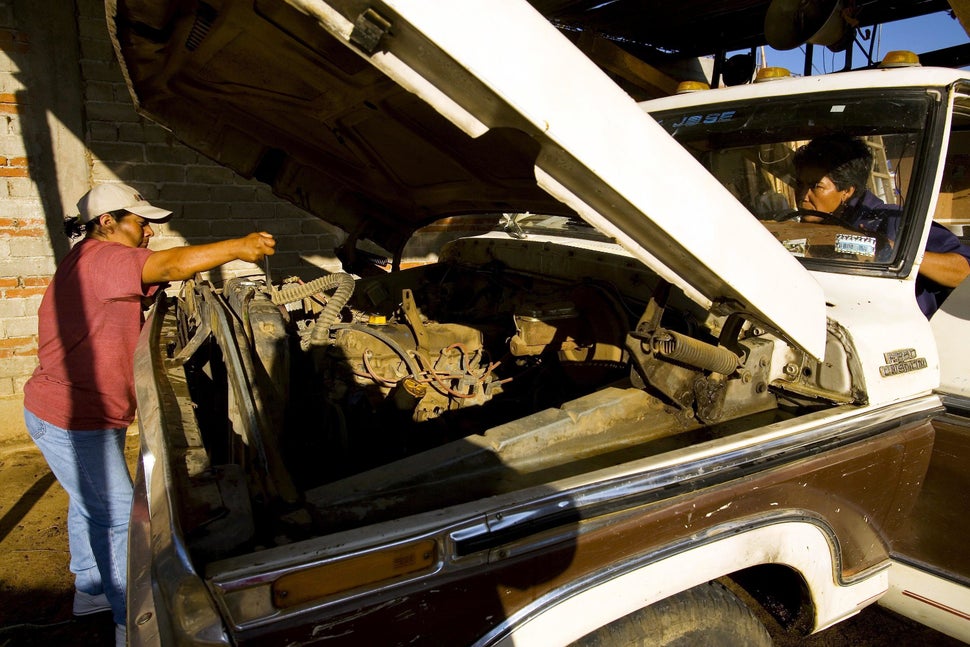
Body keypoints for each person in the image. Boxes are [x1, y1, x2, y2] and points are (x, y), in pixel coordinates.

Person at [21, 183, 275, 646]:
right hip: (71, 418)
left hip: (86, 413)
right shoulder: (100, 259)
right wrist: (239, 247)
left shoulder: (92, 261)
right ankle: (129, 622)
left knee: (92, 505)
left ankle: (91, 590)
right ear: (106, 222)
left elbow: (159, 276)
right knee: (119, 518)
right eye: (140, 222)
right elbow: (173, 264)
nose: (148, 232)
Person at [793, 134, 970, 318]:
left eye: (815, 186)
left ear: (847, 191)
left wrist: (896, 253)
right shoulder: (803, 229)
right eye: (800, 184)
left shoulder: (894, 220)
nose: (803, 195)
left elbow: (964, 271)